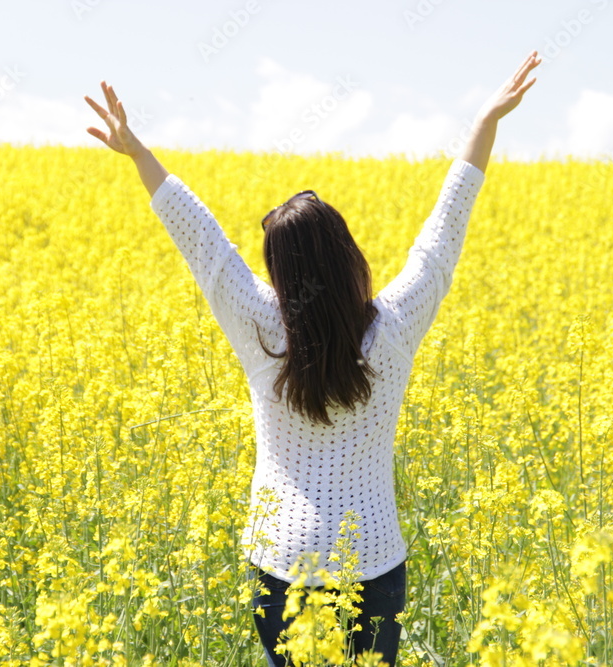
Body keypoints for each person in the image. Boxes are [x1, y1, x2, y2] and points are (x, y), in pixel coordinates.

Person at [85, 50, 541, 667]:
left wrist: (139, 153)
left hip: (281, 560)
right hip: (373, 557)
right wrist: (486, 122)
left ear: (280, 272)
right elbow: (442, 237)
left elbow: (202, 241)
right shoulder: (396, 326)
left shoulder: (259, 327)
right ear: (348, 255)